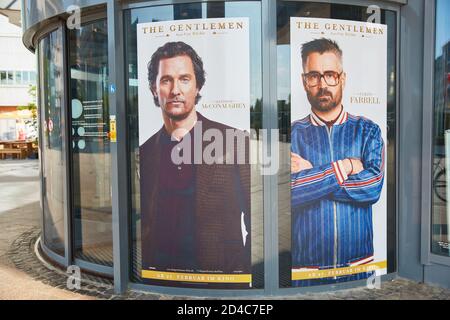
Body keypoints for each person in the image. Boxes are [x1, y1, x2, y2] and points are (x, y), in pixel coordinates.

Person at [139, 41, 250, 287]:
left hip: (219, 279)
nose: (175, 89)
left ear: (197, 85)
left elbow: (253, 217)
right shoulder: (145, 152)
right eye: (166, 80)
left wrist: (240, 273)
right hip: (162, 278)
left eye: (185, 79)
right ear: (154, 89)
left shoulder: (232, 141)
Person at [290, 38, 385, 287]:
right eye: (314, 76)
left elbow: (373, 186)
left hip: (358, 266)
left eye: (330, 75)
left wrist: (312, 177)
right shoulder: (292, 134)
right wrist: (347, 167)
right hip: (307, 269)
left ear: (342, 78)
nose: (322, 84)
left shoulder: (368, 131)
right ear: (304, 81)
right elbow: (289, 191)